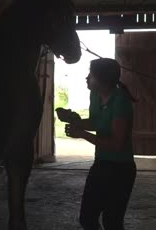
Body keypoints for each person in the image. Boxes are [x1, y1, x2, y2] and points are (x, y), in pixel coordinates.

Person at [56, 58, 136, 230]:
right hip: (101, 164)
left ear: (103, 79)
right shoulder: (96, 95)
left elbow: (116, 145)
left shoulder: (120, 102)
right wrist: (75, 120)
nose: (87, 78)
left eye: (90, 75)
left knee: (112, 222)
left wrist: (82, 134)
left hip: (121, 170)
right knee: (87, 218)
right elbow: (96, 122)